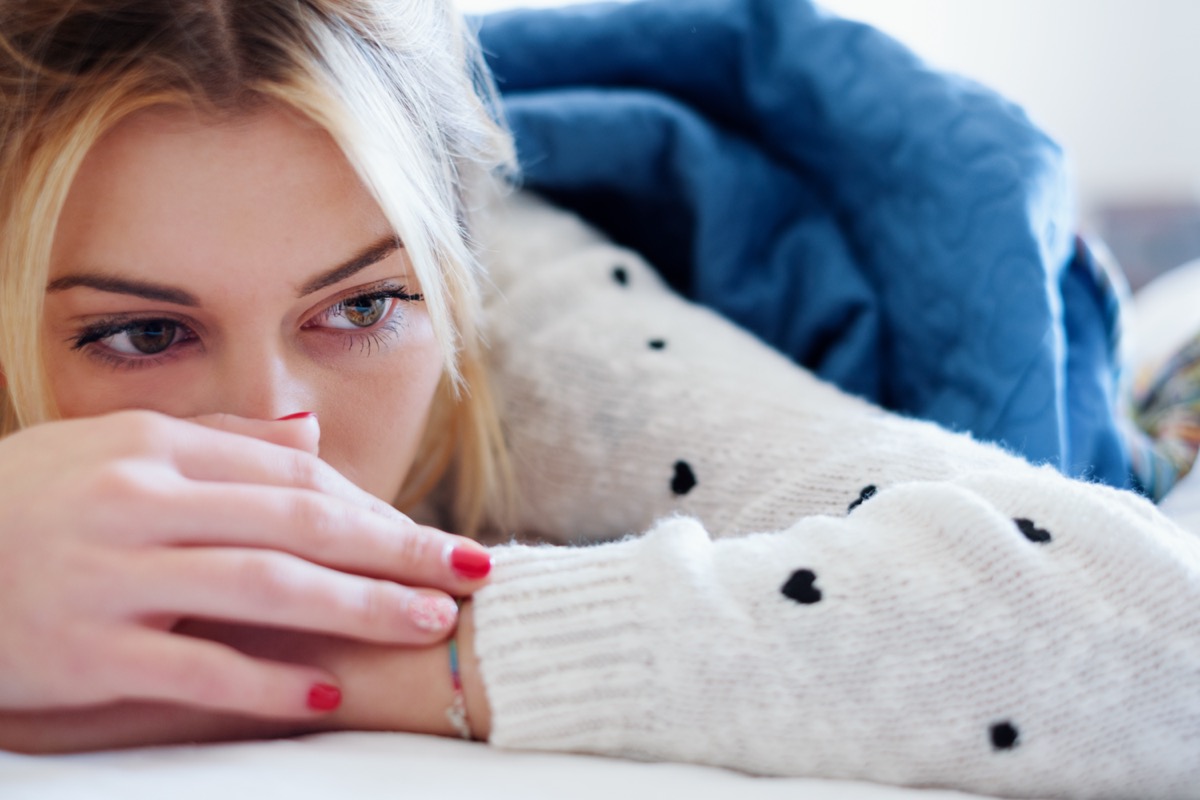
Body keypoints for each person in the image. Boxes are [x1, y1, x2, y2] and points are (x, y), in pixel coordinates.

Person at [0, 2, 1197, 798]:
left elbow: (1159, 631)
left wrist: (383, 650)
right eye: (142, 333)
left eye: (361, 308)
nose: (280, 422)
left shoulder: (519, 318)